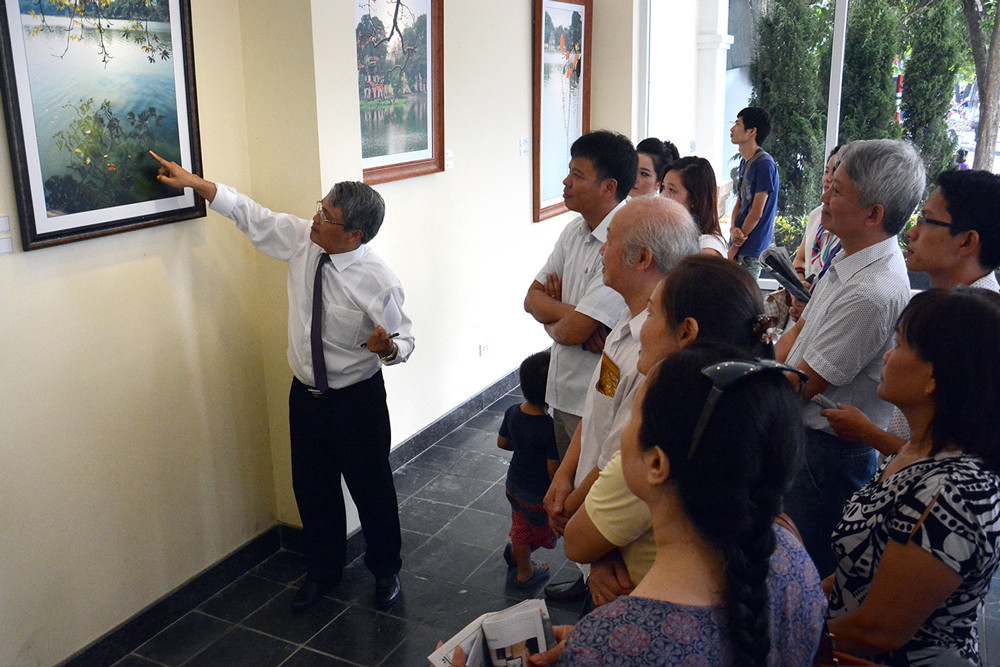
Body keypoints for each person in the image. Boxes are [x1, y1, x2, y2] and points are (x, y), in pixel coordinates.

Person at [150, 152, 412, 611]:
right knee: (312, 488)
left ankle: (385, 570)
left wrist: (386, 349)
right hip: (307, 397)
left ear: (355, 235)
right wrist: (196, 183)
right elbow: (252, 214)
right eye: (319, 207)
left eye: (326, 216)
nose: (314, 218)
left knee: (371, 489)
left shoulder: (379, 280)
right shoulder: (302, 241)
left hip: (357, 402)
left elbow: (405, 340)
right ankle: (323, 571)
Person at [548, 348, 826, 666]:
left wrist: (588, 649)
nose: (623, 431)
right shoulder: (795, 559)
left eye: (632, 417)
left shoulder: (609, 644)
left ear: (656, 463)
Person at [562, 255, 775, 605]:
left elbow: (578, 541)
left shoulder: (669, 434)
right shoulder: (747, 410)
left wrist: (598, 544)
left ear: (686, 332)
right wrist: (608, 550)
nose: (642, 326)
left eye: (651, 313)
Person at [826, 289, 1000, 666]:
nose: (887, 356)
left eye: (900, 345)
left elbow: (879, 630)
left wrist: (775, 634)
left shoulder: (955, 489)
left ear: (935, 375)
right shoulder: (916, 451)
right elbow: (855, 571)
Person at [776, 139, 925, 578]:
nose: (823, 198)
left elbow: (802, 386)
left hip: (826, 457)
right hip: (809, 446)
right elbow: (799, 334)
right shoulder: (849, 254)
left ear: (874, 213)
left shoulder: (871, 291)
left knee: (805, 573)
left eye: (837, 190)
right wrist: (762, 357)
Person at [541, 196, 700, 603]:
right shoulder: (628, 323)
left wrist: (573, 514)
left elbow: (620, 457)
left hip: (625, 555)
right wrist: (563, 476)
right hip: (597, 519)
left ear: (642, 258)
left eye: (609, 241)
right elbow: (598, 407)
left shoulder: (657, 350)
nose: (601, 251)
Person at [821, 168, 1000, 457]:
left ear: (966, 242)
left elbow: (957, 460)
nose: (912, 232)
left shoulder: (980, 330)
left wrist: (869, 434)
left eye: (928, 221)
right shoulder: (943, 306)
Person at [524, 131, 636, 461]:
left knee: (585, 501)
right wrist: (571, 315)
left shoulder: (625, 243)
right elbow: (531, 298)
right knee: (560, 491)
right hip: (561, 392)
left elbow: (572, 332)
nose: (566, 181)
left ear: (609, 187)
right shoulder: (574, 230)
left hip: (596, 401)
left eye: (577, 175)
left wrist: (557, 316)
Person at [497, 351, 560, 588]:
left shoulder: (512, 411)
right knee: (535, 533)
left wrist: (524, 447)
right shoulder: (549, 427)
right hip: (536, 494)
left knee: (520, 525)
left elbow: (502, 443)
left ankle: (517, 555)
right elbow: (553, 471)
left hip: (513, 485)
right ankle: (526, 572)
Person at [728, 107, 778, 278]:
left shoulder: (764, 164)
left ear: (752, 131)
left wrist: (736, 244)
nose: (732, 129)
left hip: (751, 247)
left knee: (745, 301)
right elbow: (740, 202)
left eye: (737, 124)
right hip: (739, 243)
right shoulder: (745, 162)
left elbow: (757, 212)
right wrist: (733, 228)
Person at [793, 146, 842, 283]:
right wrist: (800, 285)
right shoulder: (816, 215)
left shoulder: (850, 224)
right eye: (826, 171)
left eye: (835, 172)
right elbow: (800, 261)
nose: (828, 178)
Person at [661, 156, 728, 257]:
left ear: (694, 199)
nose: (663, 196)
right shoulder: (674, 233)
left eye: (671, 190)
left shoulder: (708, 249)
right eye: (663, 187)